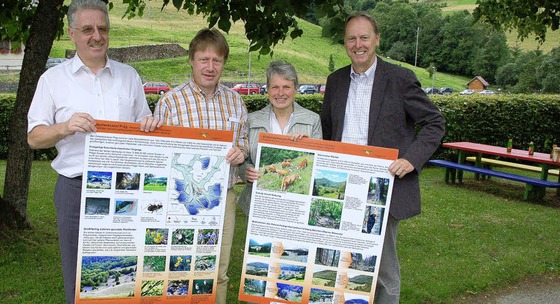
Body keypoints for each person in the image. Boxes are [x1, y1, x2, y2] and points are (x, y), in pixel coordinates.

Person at [27, 0, 160, 302]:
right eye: (87, 29)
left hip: (127, 189)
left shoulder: (129, 76)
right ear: (72, 34)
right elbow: (34, 138)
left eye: (102, 28)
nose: (96, 36)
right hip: (76, 190)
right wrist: (64, 127)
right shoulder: (52, 80)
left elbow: (143, 124)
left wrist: (150, 124)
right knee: (79, 280)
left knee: (125, 275)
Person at [320, 12, 445, 303]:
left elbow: (434, 123)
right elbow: (327, 132)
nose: (358, 44)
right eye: (352, 38)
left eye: (364, 37)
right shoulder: (336, 81)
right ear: (344, 43)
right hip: (342, 187)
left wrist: (411, 159)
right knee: (343, 264)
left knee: (383, 270)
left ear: (377, 39)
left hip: (382, 189)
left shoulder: (400, 79)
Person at [153, 28, 248, 304]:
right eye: (204, 59)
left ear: (224, 63)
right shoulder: (170, 102)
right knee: (180, 266)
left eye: (217, 60)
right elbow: (159, 154)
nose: (210, 67)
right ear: (192, 61)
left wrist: (240, 154)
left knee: (218, 270)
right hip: (181, 199)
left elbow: (243, 144)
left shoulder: (235, 101)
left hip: (223, 198)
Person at [238, 60, 322, 215]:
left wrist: (311, 145)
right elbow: (242, 158)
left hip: (296, 208)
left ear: (296, 89)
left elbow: (320, 164)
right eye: (275, 87)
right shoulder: (252, 120)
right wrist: (246, 171)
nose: (280, 93)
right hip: (259, 205)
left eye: (286, 87)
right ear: (268, 89)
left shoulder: (312, 120)